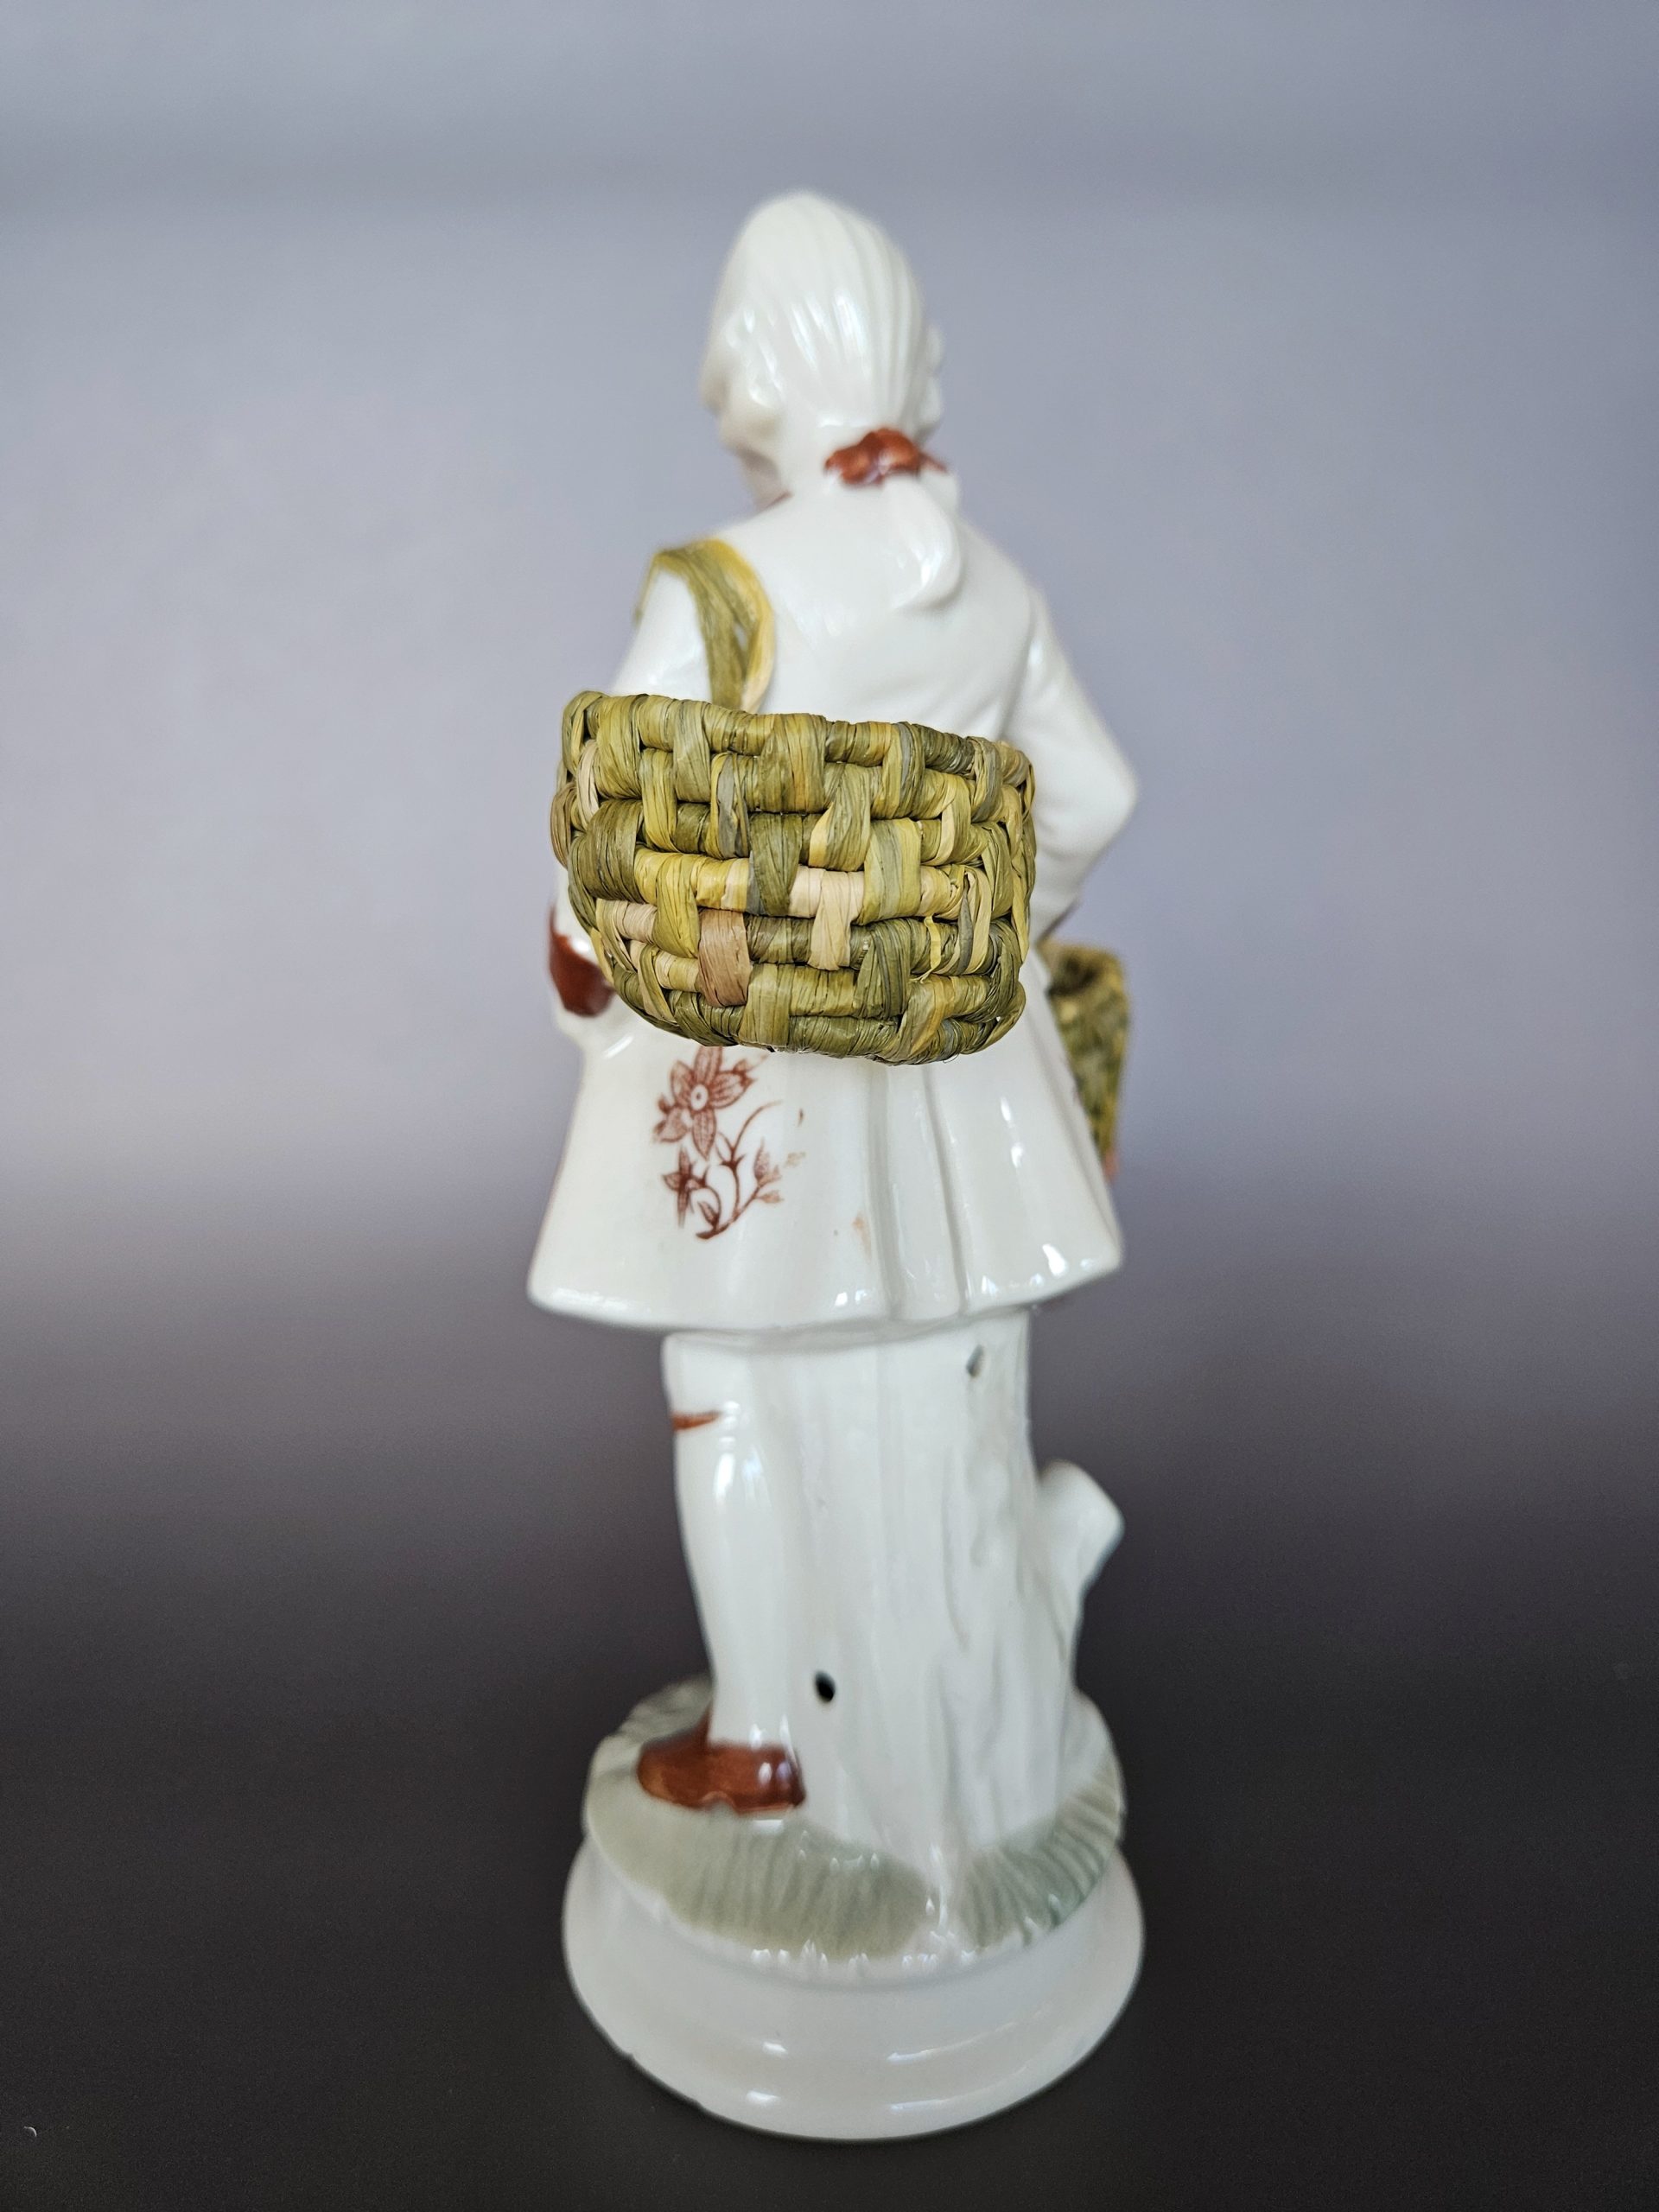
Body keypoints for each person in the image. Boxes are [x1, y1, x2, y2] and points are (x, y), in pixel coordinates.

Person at [531, 193, 1135, 1879]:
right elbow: (1096, 791)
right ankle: (957, 1705)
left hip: (771, 1061)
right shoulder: (993, 580)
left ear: (752, 365)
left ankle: (764, 1727)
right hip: (960, 1069)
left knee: (726, 1381)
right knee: (957, 1368)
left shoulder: (728, 584)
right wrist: (984, 920)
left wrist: (587, 962)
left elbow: (614, 823)